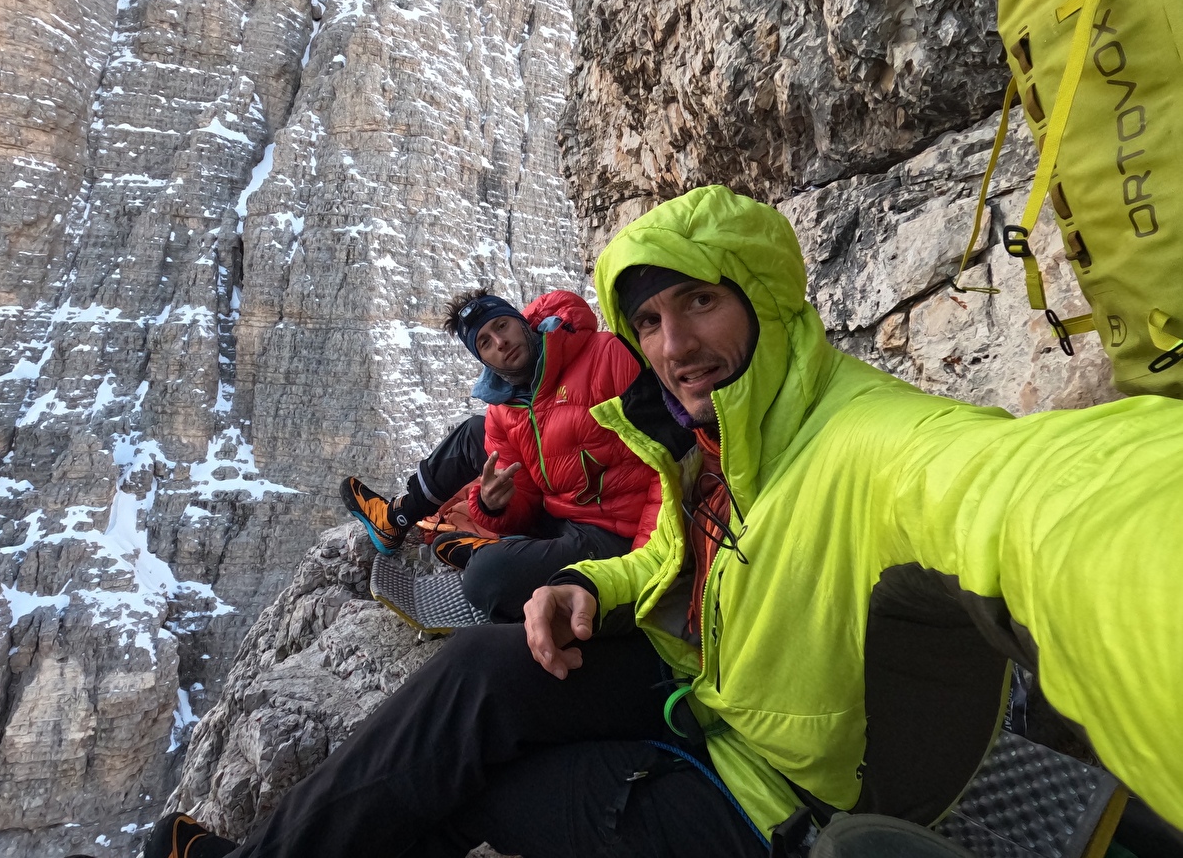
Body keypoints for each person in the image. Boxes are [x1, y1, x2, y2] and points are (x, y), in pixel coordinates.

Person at [151, 186, 1182, 858]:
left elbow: (1037, 499)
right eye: (649, 318)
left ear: (762, 298)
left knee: (473, 788)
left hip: (775, 796)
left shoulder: (873, 438)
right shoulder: (740, 432)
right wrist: (585, 586)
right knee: (475, 676)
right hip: (707, 687)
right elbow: (674, 548)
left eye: (699, 304)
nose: (673, 343)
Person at [342, 287, 660, 621]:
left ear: (521, 320)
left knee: (486, 579)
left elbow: (667, 459)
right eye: (485, 342)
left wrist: (644, 562)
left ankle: (504, 554)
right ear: (482, 359)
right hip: (559, 514)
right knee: (473, 432)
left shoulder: (607, 355)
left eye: (502, 325)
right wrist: (492, 505)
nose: (500, 342)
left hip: (613, 530)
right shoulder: (504, 408)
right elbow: (525, 500)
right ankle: (399, 518)